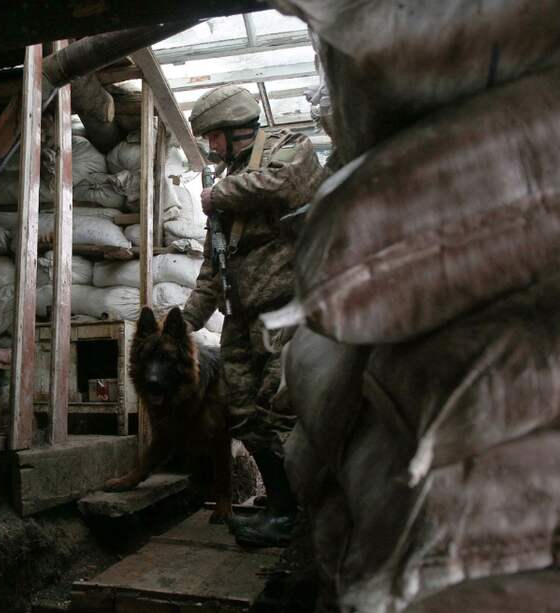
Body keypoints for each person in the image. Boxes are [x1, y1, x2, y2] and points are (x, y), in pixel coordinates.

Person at [182, 85, 327, 546]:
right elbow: (213, 264)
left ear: (232, 126)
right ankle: (282, 504)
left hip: (286, 311)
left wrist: (220, 194)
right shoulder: (222, 186)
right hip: (240, 320)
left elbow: (287, 183)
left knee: (279, 407)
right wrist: (184, 321)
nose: (211, 146)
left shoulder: (289, 148)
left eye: (213, 136)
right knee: (244, 412)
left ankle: (300, 514)